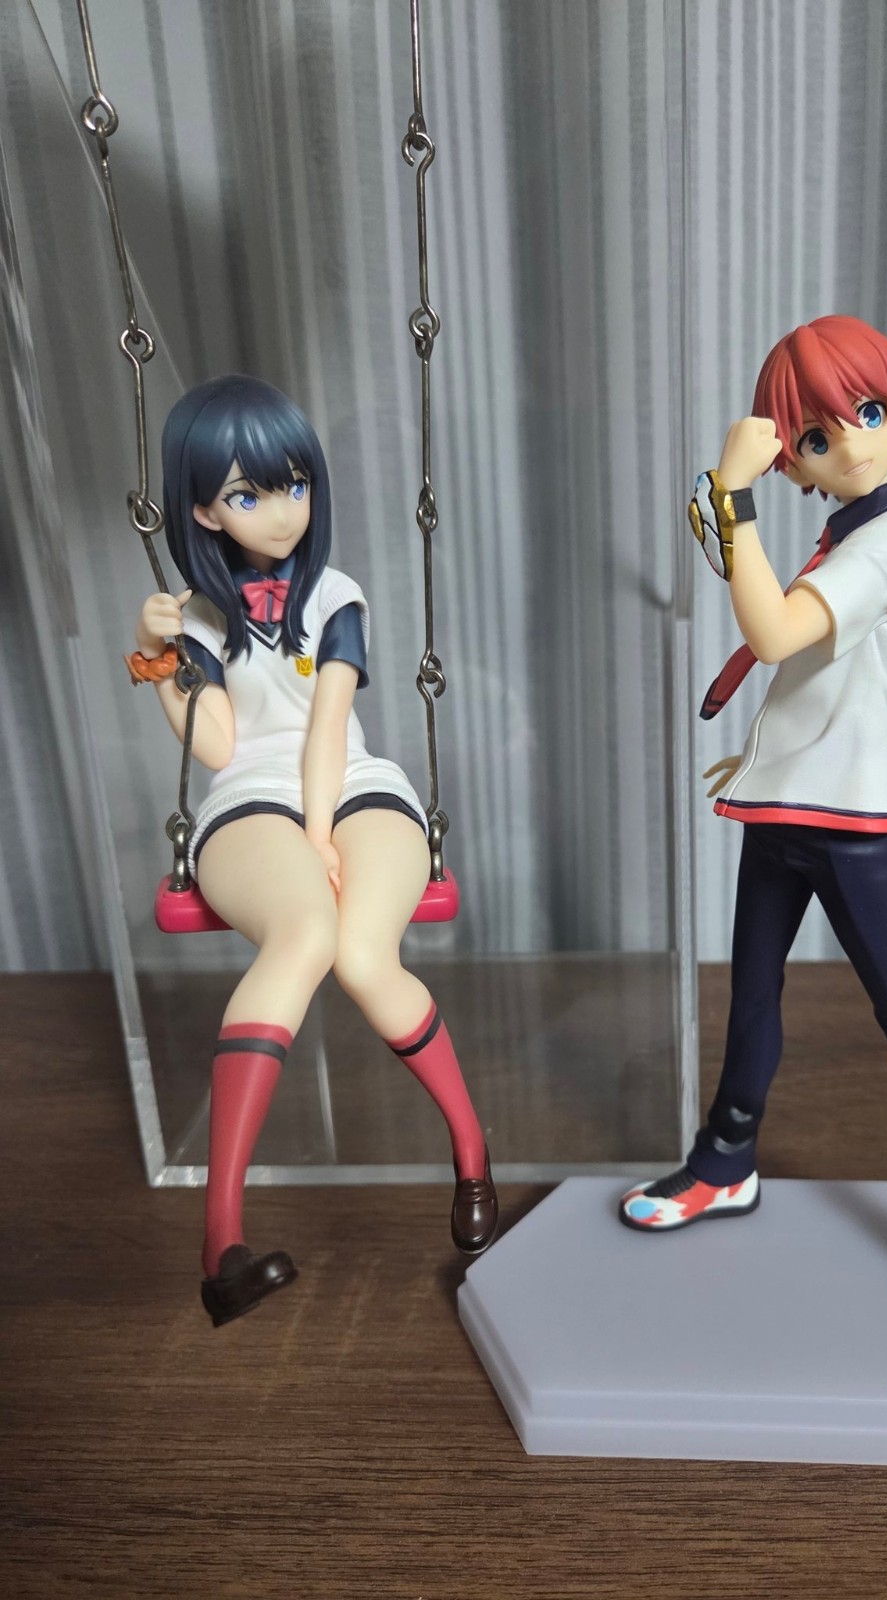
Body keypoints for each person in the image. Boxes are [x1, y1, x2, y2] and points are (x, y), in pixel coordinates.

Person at [620, 317, 887, 1371]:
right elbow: (801, 658)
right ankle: (727, 1160)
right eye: (815, 435)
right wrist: (764, 755)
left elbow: (771, 633)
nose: (847, 441)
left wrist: (734, 495)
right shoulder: (843, 537)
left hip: (850, 822)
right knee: (752, 999)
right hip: (784, 804)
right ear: (799, 461)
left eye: (866, 411)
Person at [127, 374, 498, 1327]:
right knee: (303, 937)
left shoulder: (336, 595)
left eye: (294, 483)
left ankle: (470, 1153)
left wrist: (323, 832)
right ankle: (221, 1239)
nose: (283, 510)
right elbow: (216, 746)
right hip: (248, 798)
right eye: (248, 494)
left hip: (357, 785)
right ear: (204, 509)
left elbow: (331, 725)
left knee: (365, 955)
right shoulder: (197, 616)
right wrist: (160, 659)